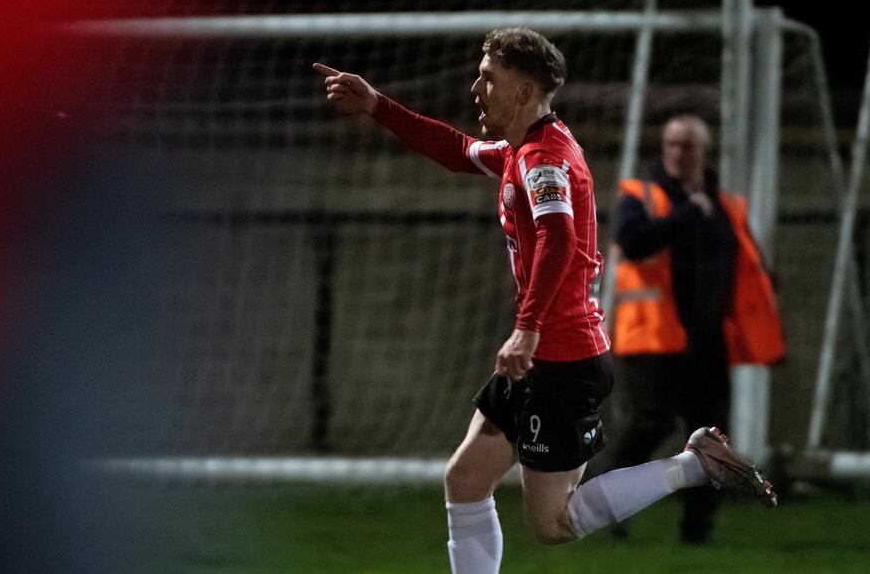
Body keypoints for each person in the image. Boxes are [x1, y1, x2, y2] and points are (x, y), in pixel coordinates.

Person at [315, 28, 776, 574]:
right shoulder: (521, 149)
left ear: (523, 90)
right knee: (465, 481)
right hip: (542, 356)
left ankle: (694, 466)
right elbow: (459, 150)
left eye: (489, 77)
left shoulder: (544, 159)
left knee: (552, 524)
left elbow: (559, 238)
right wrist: (378, 106)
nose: (475, 88)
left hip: (563, 360)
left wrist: (527, 328)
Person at [608, 115, 786, 543]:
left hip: (707, 339)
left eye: (687, 145)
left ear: (703, 151)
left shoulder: (725, 205)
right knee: (652, 423)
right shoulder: (642, 196)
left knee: (711, 436)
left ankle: (697, 531)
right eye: (671, 143)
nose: (677, 152)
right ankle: (607, 504)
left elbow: (745, 264)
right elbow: (633, 242)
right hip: (655, 337)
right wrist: (686, 214)